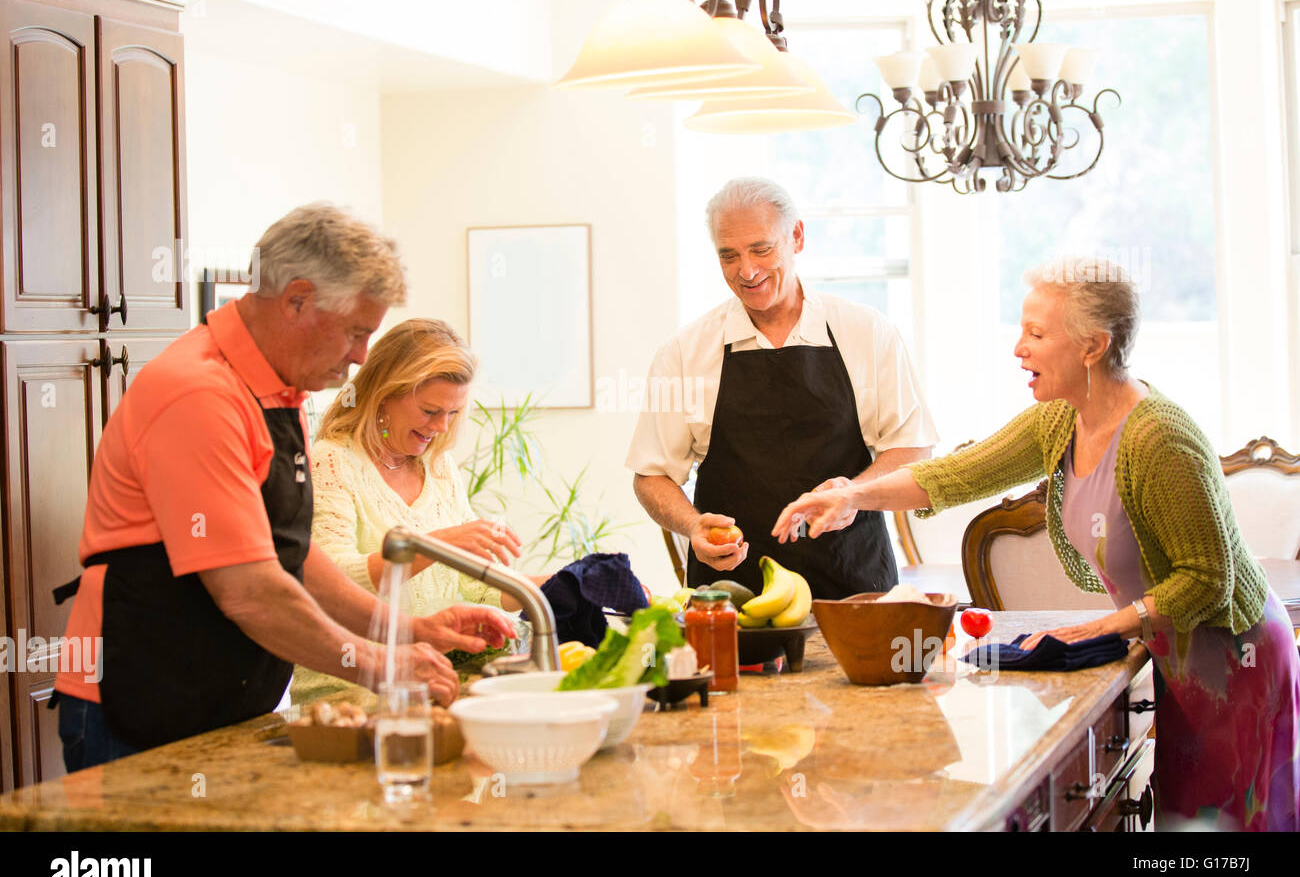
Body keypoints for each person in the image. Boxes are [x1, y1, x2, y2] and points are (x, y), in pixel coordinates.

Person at [772, 256, 1300, 831]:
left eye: (1037, 333)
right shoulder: (1061, 420)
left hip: (1238, 661)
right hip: (1179, 653)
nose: (1018, 348)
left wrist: (1111, 624)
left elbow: (1209, 580)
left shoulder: (1160, 439)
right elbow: (957, 474)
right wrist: (852, 495)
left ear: (1093, 346)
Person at [52, 204, 513, 773]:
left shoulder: (275, 393)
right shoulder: (200, 395)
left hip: (218, 700)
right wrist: (380, 664)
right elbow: (249, 588)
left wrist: (409, 631)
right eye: (355, 331)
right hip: (136, 700)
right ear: (296, 300)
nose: (361, 355)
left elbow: (290, 556)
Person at [627, 177, 937, 600]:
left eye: (761, 249)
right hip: (730, 595)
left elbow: (913, 448)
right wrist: (692, 525)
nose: (747, 271)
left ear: (797, 237)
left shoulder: (867, 332)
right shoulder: (683, 352)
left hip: (855, 586)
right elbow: (652, 474)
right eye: (729, 256)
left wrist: (853, 494)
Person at [295, 318, 540, 702]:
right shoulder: (332, 462)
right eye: (430, 411)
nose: (441, 427)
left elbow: (472, 586)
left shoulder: (438, 469)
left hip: (428, 687)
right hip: (350, 697)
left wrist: (560, 585)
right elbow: (333, 581)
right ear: (385, 393)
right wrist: (434, 544)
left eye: (453, 414)